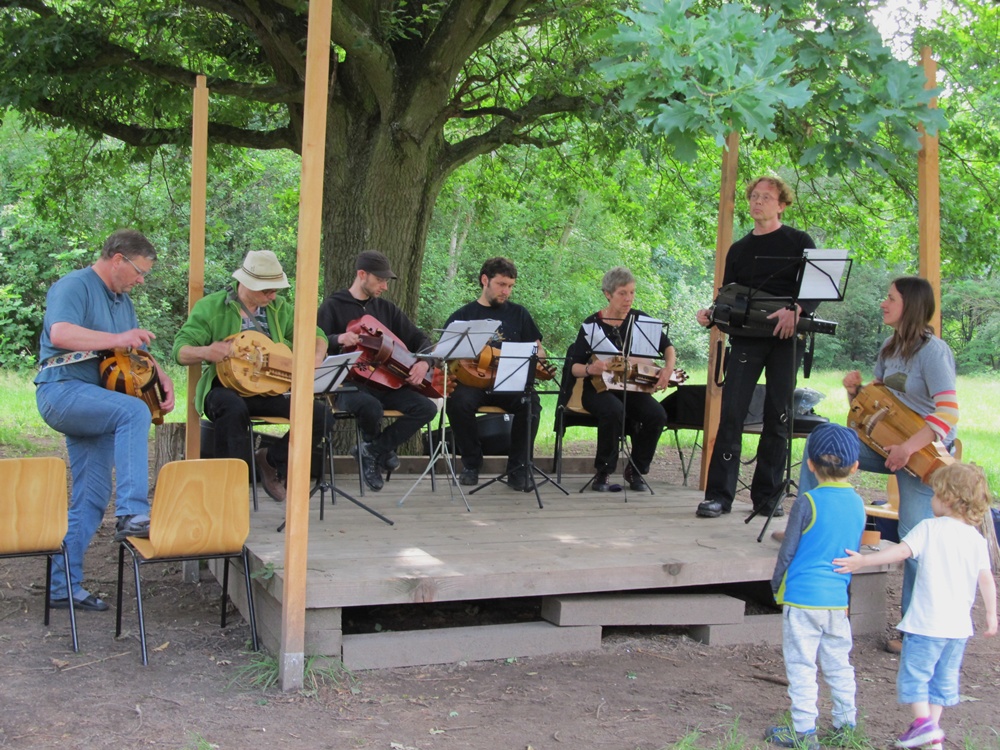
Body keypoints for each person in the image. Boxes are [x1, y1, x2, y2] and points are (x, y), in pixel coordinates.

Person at [799, 276, 958, 643]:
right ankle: (811, 524)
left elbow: (948, 413)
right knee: (821, 444)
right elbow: (875, 406)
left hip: (923, 457)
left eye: (890, 299)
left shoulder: (934, 353)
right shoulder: (889, 347)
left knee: (914, 539)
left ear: (911, 306)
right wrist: (855, 392)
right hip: (886, 447)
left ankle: (915, 631)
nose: (883, 304)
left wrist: (908, 449)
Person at [34, 229, 176, 612]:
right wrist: (116, 338)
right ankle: (133, 511)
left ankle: (63, 587)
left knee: (92, 498)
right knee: (133, 411)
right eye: (139, 271)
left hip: (96, 403)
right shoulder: (73, 286)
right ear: (117, 259)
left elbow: (135, 348)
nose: (141, 280)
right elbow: (61, 333)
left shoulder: (122, 300)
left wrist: (161, 375)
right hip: (61, 392)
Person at [834, 462, 997, 749]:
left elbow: (898, 552)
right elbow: (987, 580)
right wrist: (992, 616)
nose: (931, 500)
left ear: (947, 498)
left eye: (934, 494)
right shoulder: (975, 538)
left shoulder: (929, 528)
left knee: (915, 678)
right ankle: (932, 735)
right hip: (958, 630)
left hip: (926, 625)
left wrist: (862, 560)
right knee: (940, 683)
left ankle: (923, 725)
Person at [695, 175, 819, 520]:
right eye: (754, 196)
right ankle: (719, 496)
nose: (758, 202)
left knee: (778, 417)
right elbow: (727, 297)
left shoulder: (799, 242)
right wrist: (711, 314)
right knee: (732, 415)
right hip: (746, 339)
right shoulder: (739, 249)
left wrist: (798, 309)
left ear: (782, 204)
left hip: (784, 341)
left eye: (767, 197)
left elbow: (816, 288)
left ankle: (767, 497)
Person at [173, 250, 330, 503]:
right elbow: (179, 350)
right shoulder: (212, 307)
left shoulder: (278, 308)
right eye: (267, 291)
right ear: (246, 283)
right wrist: (207, 351)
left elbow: (316, 332)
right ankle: (229, 491)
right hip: (224, 387)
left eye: (275, 290)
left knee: (320, 415)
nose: (273, 296)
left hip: (267, 389)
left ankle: (270, 461)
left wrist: (317, 354)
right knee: (233, 409)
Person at [765, 423, 866, 750]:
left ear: (809, 464)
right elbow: (852, 551)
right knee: (839, 662)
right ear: (855, 467)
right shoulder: (859, 504)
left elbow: (788, 549)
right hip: (837, 600)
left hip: (803, 598)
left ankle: (804, 730)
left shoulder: (807, 501)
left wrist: (777, 584)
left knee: (801, 665)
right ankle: (845, 723)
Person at [317, 250, 438, 491]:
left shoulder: (386, 309)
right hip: (348, 386)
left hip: (386, 382)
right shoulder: (333, 305)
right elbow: (314, 342)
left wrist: (426, 362)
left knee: (426, 407)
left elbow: (420, 339)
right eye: (380, 280)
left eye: (386, 281)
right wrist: (338, 338)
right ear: (362, 274)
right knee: (370, 407)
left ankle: (371, 450)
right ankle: (378, 451)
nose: (384, 286)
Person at [569, 267, 674, 492]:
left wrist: (667, 369)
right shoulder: (592, 324)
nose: (629, 299)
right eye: (622, 293)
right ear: (608, 293)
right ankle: (603, 472)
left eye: (632, 293)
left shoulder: (640, 320)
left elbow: (668, 347)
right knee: (614, 410)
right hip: (597, 390)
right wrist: (591, 368)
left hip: (631, 388)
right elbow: (574, 368)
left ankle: (636, 469)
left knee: (657, 415)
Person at [445, 258, 545, 491]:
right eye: (501, 284)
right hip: (472, 383)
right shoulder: (463, 315)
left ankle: (518, 469)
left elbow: (538, 347)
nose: (506, 291)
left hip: (509, 381)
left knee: (530, 404)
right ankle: (471, 463)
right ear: (484, 280)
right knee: (458, 403)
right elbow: (447, 354)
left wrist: (539, 354)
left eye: (510, 286)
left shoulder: (519, 314)